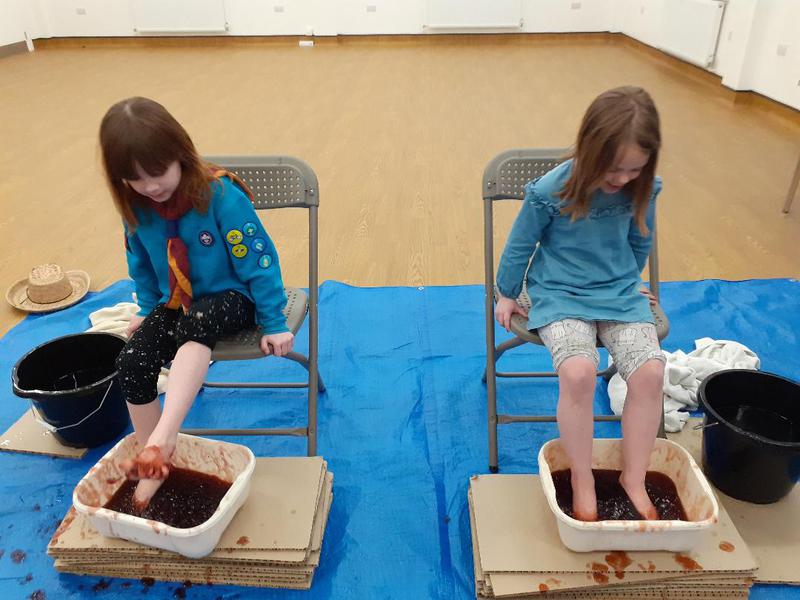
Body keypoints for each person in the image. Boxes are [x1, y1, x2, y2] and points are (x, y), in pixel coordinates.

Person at [99, 97, 293, 508]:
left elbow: (259, 261)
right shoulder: (136, 206)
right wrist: (147, 309)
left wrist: (274, 321)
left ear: (180, 153)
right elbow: (140, 262)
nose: (151, 187)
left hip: (236, 299)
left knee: (197, 322)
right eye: (135, 179)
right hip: (179, 303)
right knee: (132, 361)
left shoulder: (220, 195)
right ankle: (153, 460)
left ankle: (164, 439)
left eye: (157, 172)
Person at [495, 86, 666, 521]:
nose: (623, 179)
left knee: (650, 373)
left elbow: (640, 239)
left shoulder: (643, 188)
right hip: (559, 293)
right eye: (614, 169)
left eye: (634, 169)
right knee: (578, 372)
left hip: (618, 293)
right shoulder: (552, 190)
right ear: (590, 150)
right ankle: (582, 476)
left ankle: (634, 477)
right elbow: (520, 243)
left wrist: (631, 280)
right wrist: (507, 292)